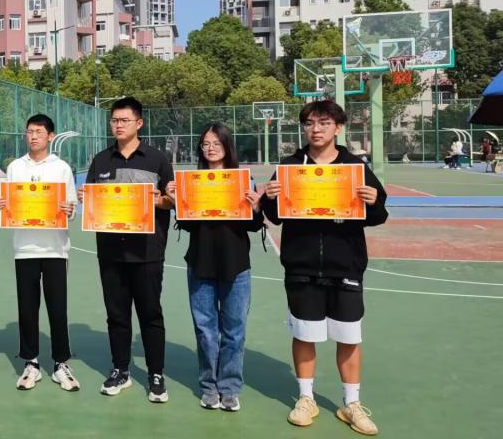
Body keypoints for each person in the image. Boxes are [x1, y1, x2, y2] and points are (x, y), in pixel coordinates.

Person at [261, 100, 388, 436]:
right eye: (309, 123)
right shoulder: (290, 166)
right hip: (301, 266)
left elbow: (379, 215)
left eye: (324, 123)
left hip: (345, 265)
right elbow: (275, 216)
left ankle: (351, 403)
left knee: (348, 337)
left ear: (338, 127)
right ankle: (306, 398)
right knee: (305, 334)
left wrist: (373, 201)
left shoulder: (355, 167)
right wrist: (270, 197)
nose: (315, 129)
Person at [79, 97, 174, 402]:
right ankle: (120, 370)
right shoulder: (101, 160)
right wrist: (86, 198)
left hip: (147, 252)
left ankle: (156, 374)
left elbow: (172, 201)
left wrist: (158, 200)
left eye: (124, 120)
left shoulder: (157, 159)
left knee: (150, 314)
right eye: (114, 120)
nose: (118, 125)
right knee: (116, 315)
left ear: (139, 123)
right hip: (111, 252)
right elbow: (92, 201)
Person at [164, 123, 263, 412]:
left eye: (216, 143)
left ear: (227, 146)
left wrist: (257, 208)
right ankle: (209, 385)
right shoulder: (192, 181)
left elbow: (254, 225)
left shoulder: (243, 180)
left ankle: (229, 387)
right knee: (205, 330)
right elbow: (187, 224)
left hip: (236, 265)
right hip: (200, 262)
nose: (210, 148)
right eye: (205, 143)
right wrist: (177, 201)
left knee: (234, 331)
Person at [0, 114, 80, 392]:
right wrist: (5, 205)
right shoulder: (15, 167)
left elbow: (71, 205)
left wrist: (69, 208)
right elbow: (10, 203)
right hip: (25, 249)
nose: (33, 136)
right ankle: (31, 362)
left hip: (56, 248)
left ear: (50, 136)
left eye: (38, 132)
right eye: (29, 132)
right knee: (27, 308)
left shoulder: (61, 168)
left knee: (58, 308)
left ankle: (60, 363)